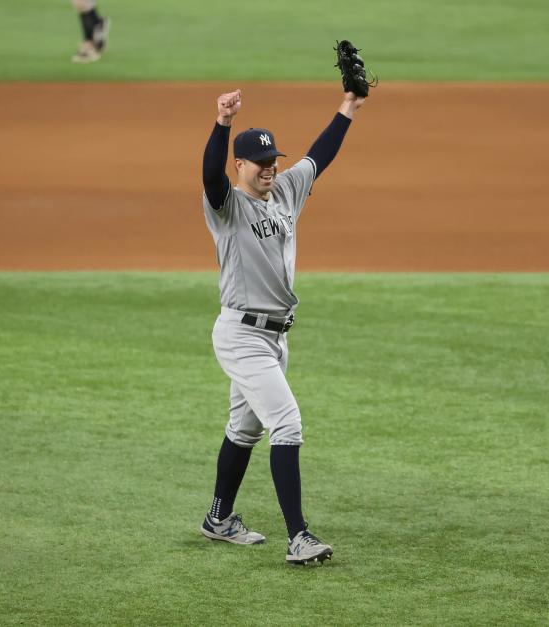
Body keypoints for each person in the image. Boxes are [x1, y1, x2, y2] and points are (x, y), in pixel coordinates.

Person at [198, 88, 366, 565]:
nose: (269, 167)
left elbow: (320, 156)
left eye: (272, 159)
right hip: (241, 333)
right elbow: (210, 173)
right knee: (287, 424)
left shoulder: (287, 190)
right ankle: (299, 537)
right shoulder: (226, 207)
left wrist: (348, 108)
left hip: (275, 337)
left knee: (244, 430)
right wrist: (222, 123)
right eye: (259, 162)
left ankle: (218, 518)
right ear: (241, 167)